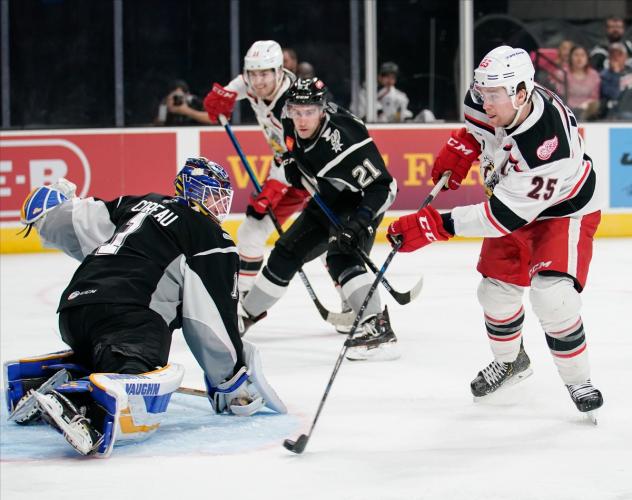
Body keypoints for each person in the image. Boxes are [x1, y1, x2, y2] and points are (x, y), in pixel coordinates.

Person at [5, 157, 285, 457]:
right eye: (211, 194)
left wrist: (53, 207)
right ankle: (86, 406)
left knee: (109, 352)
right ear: (192, 191)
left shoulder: (140, 205)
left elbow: (76, 220)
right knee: (138, 365)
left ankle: (44, 381)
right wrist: (230, 380)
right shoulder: (211, 236)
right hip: (129, 316)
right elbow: (210, 322)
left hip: (74, 310)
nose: (216, 204)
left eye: (220, 196)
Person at [387, 46, 603, 418]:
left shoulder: (549, 146)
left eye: (494, 95)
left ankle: (577, 379)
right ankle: (510, 363)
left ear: (522, 94)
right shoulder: (489, 97)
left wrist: (435, 224)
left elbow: (501, 217)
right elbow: (479, 127)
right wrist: (463, 146)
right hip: (511, 199)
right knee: (495, 292)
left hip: (562, 212)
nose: (484, 101)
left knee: (552, 296)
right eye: (482, 92)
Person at [238, 77, 399, 361]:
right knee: (286, 251)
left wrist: (359, 222)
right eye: (296, 111)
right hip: (329, 193)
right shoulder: (287, 120)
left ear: (323, 110)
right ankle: (245, 315)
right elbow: (290, 148)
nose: (302, 119)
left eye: (309, 111)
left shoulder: (345, 142)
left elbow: (381, 187)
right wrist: (290, 163)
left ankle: (377, 326)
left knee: (341, 257)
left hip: (363, 198)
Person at [203, 40, 311, 299]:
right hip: (284, 169)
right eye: (254, 73)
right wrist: (221, 98)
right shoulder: (252, 84)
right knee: (251, 230)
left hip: (311, 174)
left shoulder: (293, 105)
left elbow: (301, 156)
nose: (258, 81)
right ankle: (242, 300)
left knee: (322, 239)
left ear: (278, 72)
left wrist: (273, 188)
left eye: (264, 74)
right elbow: (236, 87)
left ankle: (351, 301)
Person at [556, 45, 601, 121]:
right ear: (570, 58)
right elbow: (559, 94)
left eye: (582, 55)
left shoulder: (594, 75)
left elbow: (594, 97)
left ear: (587, 58)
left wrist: (584, 105)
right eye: (576, 55)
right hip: (567, 109)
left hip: (587, 110)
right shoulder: (562, 74)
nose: (579, 58)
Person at [599, 42, 632, 119]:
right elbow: (614, 95)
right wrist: (616, 74)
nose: (616, 57)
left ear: (626, 57)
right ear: (609, 58)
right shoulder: (604, 75)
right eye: (613, 55)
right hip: (615, 113)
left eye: (619, 54)